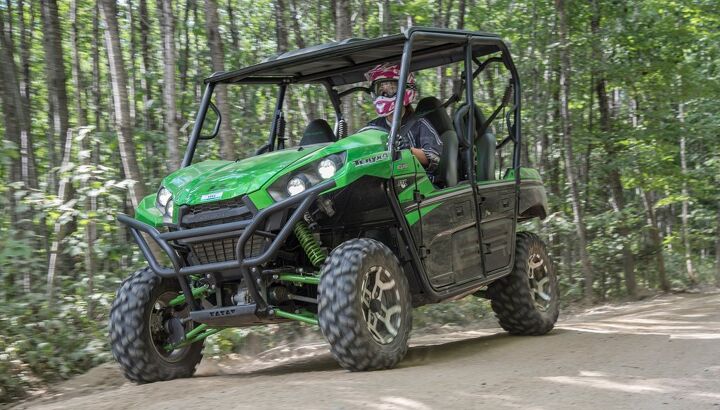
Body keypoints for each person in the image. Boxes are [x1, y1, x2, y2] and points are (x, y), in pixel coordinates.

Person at [365, 63, 442, 182]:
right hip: (382, 182)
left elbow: (433, 158)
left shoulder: (419, 124)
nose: (385, 94)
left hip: (417, 184)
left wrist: (408, 150)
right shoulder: (372, 127)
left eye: (391, 89)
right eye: (381, 90)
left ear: (405, 90)